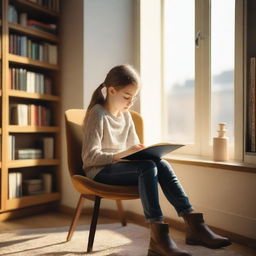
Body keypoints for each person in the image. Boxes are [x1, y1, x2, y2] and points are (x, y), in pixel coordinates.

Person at [82, 65, 231, 256]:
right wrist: (118, 155)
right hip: (99, 172)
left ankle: (193, 224)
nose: (130, 103)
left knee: (160, 164)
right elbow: (89, 158)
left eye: (134, 98)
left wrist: (141, 151)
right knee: (146, 168)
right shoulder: (98, 114)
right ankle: (158, 236)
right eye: (127, 97)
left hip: (121, 167)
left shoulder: (126, 117)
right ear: (111, 91)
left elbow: (133, 148)